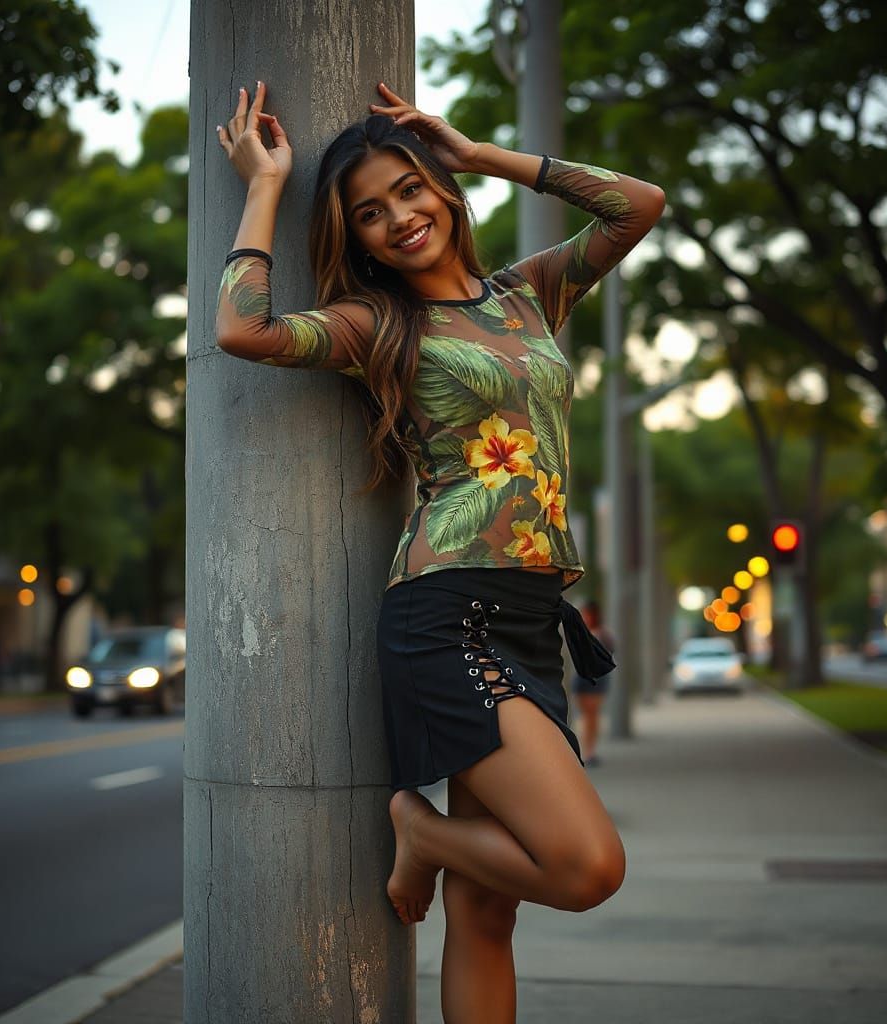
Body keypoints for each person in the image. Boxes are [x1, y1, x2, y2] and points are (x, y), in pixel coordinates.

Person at [216, 79, 664, 1022]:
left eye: (410, 191)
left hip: (534, 620)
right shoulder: (378, 324)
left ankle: (434, 846)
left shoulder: (528, 297)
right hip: (449, 614)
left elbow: (640, 205)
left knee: (488, 914)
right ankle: (414, 828)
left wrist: (479, 154)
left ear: (443, 190)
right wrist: (264, 188)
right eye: (370, 215)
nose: (399, 220)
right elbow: (243, 329)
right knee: (584, 867)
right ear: (359, 241)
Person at [570, 599, 615, 767]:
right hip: (581, 677)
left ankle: (590, 750)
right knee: (584, 716)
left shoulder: (603, 633)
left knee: (593, 716)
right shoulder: (580, 631)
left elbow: (608, 654)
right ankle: (585, 749)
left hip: (596, 679)